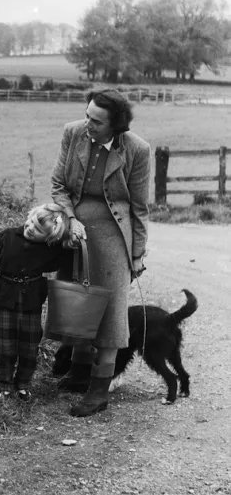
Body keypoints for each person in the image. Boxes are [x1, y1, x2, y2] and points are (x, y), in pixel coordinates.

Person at [50, 89, 151, 416]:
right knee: (77, 298)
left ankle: (98, 391)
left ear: (116, 125)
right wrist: (70, 219)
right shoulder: (73, 132)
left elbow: (139, 207)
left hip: (112, 234)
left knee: (109, 311)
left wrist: (137, 253)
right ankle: (78, 372)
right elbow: (58, 185)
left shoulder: (137, 149)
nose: (88, 123)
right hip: (74, 232)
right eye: (87, 115)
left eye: (96, 120)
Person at [0, 203, 71, 401]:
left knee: (29, 345)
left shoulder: (50, 248)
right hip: (4, 298)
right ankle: (5, 383)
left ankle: (23, 383)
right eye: (31, 222)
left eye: (38, 230)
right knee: (5, 345)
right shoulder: (7, 237)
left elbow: (65, 258)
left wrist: (69, 240)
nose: (30, 228)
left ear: (49, 238)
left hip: (32, 300)